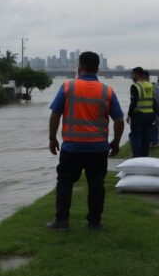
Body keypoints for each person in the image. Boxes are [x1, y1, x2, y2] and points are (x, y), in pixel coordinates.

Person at [48, 51, 125, 230]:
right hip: (98, 148)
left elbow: (55, 115)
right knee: (96, 184)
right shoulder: (107, 91)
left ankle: (61, 221)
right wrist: (115, 142)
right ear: (98, 68)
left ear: (79, 66)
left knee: (65, 182)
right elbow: (119, 120)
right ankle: (94, 222)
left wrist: (52, 138)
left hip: (72, 147)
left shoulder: (67, 87)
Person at [128, 67, 156, 157]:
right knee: (146, 136)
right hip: (149, 114)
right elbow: (154, 101)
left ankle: (137, 156)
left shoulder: (135, 86)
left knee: (136, 136)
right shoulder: (150, 85)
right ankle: (144, 156)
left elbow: (134, 102)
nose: (132, 76)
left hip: (138, 115)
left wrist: (129, 114)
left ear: (136, 74)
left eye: (132, 74)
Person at [146, 70, 159, 147]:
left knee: (148, 126)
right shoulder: (154, 86)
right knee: (154, 125)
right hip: (154, 109)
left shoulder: (139, 86)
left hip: (147, 110)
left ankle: (150, 141)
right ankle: (154, 141)